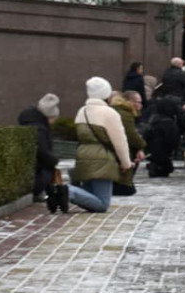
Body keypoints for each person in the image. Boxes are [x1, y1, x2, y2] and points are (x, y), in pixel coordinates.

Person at [56, 77, 139, 213]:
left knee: (90, 198)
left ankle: (63, 192)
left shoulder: (82, 111)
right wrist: (126, 163)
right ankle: (67, 190)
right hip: (103, 158)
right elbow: (120, 142)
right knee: (102, 204)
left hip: (83, 155)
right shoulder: (109, 113)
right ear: (106, 94)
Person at [18, 93, 60, 203]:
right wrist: (54, 160)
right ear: (48, 116)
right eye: (54, 118)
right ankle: (39, 191)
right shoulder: (40, 129)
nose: (54, 121)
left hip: (30, 164)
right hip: (38, 168)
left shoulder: (30, 122)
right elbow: (43, 151)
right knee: (46, 171)